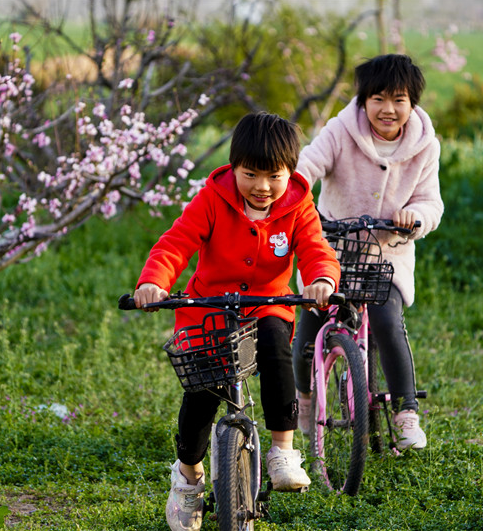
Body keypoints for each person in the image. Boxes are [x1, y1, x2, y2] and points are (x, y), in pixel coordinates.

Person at [133, 112, 341, 531]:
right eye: (251, 174)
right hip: (208, 307)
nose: (262, 187)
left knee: (276, 348)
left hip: (267, 304)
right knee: (202, 391)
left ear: (290, 173)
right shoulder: (212, 199)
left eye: (274, 176)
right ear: (233, 168)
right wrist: (154, 283)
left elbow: (317, 249)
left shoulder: (298, 204)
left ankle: (283, 451)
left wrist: (321, 279)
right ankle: (188, 476)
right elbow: (175, 244)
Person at [292, 53, 444, 451]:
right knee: (309, 325)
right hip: (330, 246)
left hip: (386, 253)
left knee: (387, 320)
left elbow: (432, 202)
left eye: (398, 99)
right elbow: (308, 164)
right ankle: (304, 400)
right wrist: (291, 193)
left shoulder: (425, 146)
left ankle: (406, 412)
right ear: (362, 101)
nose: (387, 109)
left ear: (412, 103)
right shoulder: (340, 130)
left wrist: (416, 216)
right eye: (377, 98)